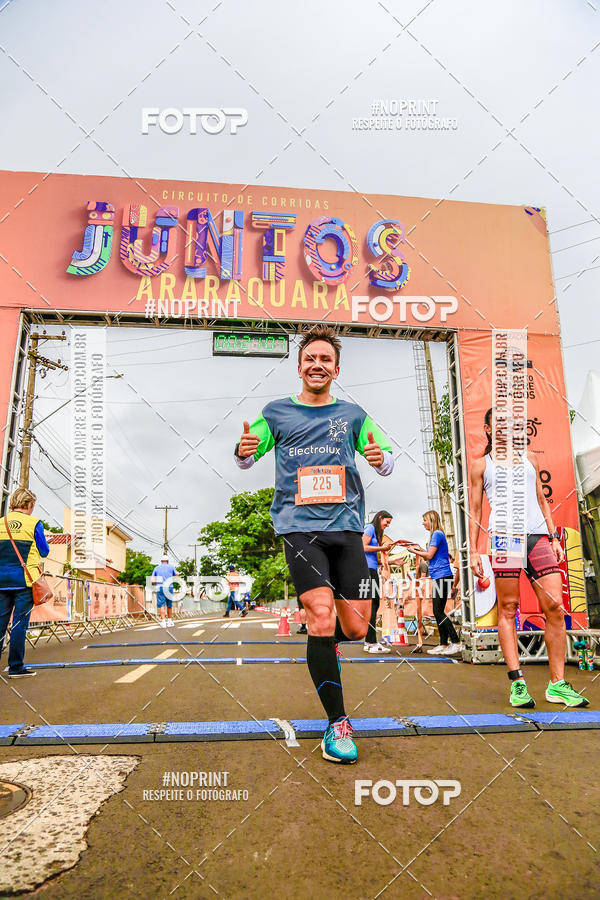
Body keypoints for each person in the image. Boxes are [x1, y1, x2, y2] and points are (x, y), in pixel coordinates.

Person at [235, 325, 393, 764]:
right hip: (300, 528)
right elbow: (249, 455)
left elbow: (385, 459)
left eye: (326, 359)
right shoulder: (277, 412)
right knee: (320, 616)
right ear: (300, 366)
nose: (317, 365)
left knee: (358, 626)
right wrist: (244, 451)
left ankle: (328, 645)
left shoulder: (354, 415)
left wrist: (382, 460)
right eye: (310, 359)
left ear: (335, 368)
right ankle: (336, 724)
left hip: (346, 528)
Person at [470, 408, 588, 708]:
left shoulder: (529, 457)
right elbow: (475, 510)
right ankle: (518, 683)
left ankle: (557, 684)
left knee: (556, 608)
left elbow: (541, 498)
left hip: (537, 537)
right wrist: (473, 550)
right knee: (508, 608)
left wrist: (552, 535)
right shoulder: (480, 465)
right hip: (504, 539)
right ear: (487, 429)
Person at [0, 487, 49, 677]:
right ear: (29, 504)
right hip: (24, 582)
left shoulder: (1, 523)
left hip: (1, 581)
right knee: (19, 624)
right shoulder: (34, 523)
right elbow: (44, 551)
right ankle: (16, 667)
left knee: (0, 623)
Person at [406, 510, 462, 656]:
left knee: (437, 611)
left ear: (431, 520)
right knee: (438, 611)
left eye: (424, 520)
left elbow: (429, 555)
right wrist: (420, 550)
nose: (423, 523)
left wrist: (415, 551)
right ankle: (443, 643)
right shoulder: (436, 535)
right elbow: (432, 554)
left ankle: (456, 642)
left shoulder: (436, 534)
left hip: (442, 576)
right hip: (440, 576)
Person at [362, 510, 394, 653]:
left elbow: (375, 557)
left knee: (373, 605)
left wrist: (393, 561)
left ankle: (369, 641)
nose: (387, 525)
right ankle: (371, 642)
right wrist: (382, 548)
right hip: (367, 570)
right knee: (373, 604)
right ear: (380, 518)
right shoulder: (369, 528)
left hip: (372, 569)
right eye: (386, 522)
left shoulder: (375, 531)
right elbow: (362, 547)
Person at [151, 555, 177, 628]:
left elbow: (152, 580)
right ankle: (169, 621)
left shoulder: (156, 568)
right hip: (169, 587)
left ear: (161, 561)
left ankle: (163, 622)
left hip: (160, 587)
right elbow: (177, 575)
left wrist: (156, 584)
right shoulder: (171, 567)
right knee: (169, 605)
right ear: (167, 561)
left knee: (161, 605)